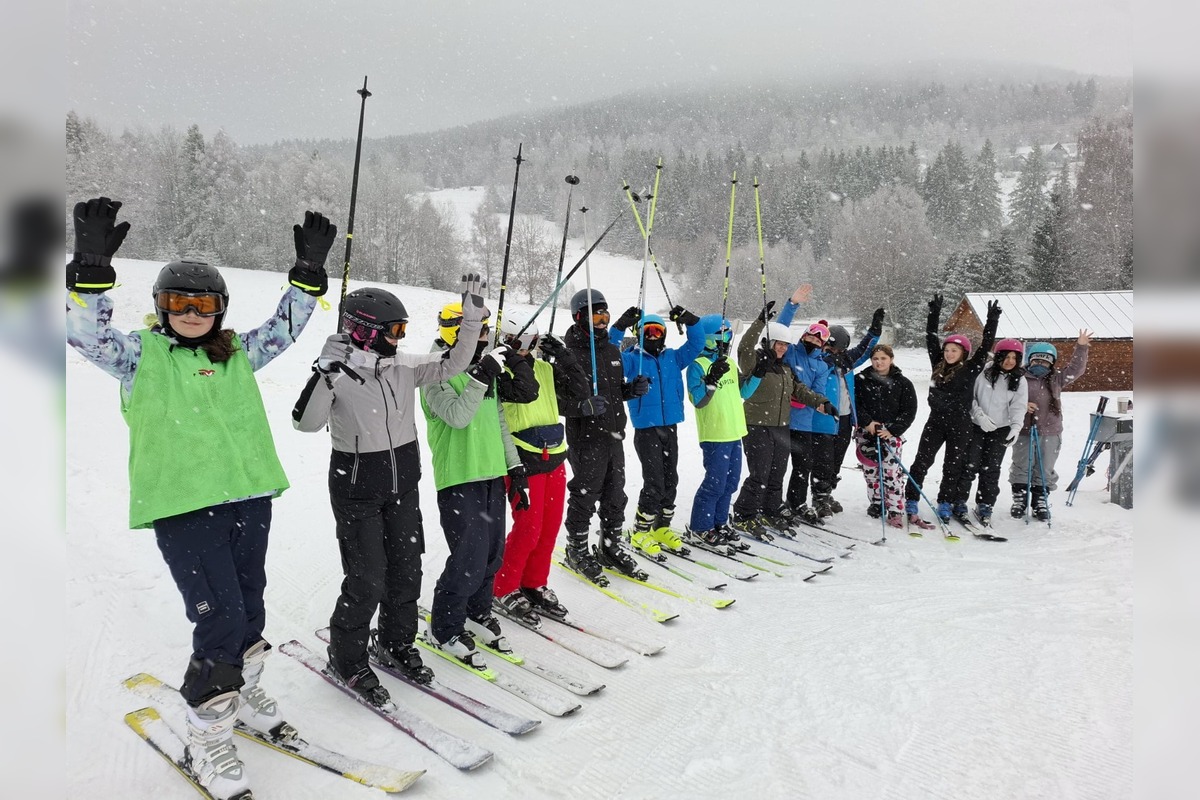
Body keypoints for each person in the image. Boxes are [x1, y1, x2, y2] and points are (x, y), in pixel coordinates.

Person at [66, 197, 331, 800]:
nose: (191, 313)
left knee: (251, 609)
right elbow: (84, 335)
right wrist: (89, 273)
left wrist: (307, 279)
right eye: (178, 304)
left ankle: (240, 688)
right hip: (184, 508)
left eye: (204, 305)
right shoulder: (138, 357)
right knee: (220, 622)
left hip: (248, 499)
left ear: (219, 311)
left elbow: (284, 331)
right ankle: (206, 730)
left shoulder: (235, 352)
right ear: (160, 308)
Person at [291, 276, 487, 705]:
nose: (400, 339)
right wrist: (324, 373)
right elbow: (304, 423)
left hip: (403, 486)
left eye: (402, 330)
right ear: (365, 329)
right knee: (367, 579)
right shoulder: (339, 373)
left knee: (406, 570)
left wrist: (471, 321)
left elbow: (453, 364)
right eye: (394, 330)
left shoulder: (402, 366)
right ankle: (347, 658)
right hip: (357, 488)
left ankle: (396, 644)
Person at [420, 299, 528, 668]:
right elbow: (457, 417)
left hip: (490, 472)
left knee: (492, 553)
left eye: (484, 331)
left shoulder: (483, 367)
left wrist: (515, 469)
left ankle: (476, 612)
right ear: (455, 329)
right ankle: (446, 626)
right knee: (468, 556)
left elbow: (498, 421)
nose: (483, 337)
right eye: (478, 331)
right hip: (458, 475)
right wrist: (480, 376)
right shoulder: (434, 371)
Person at [490, 316, 589, 624]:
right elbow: (525, 392)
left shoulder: (545, 368)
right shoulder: (500, 372)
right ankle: (503, 586)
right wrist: (510, 357)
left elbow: (581, 390)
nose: (525, 350)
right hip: (523, 457)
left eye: (531, 344)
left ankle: (533, 582)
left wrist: (565, 356)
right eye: (518, 342)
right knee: (528, 528)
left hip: (555, 456)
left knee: (549, 528)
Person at [557, 288, 650, 583]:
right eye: (596, 314)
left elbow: (611, 392)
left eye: (605, 313)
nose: (602, 319)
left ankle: (609, 547)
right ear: (579, 317)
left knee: (615, 494)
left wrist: (629, 390)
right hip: (586, 438)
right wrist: (581, 407)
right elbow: (555, 401)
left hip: (614, 435)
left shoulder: (611, 350)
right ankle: (576, 549)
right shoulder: (567, 355)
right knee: (585, 495)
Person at [608, 303, 705, 555]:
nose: (653, 335)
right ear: (640, 333)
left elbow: (697, 344)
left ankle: (662, 526)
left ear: (664, 334)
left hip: (669, 426)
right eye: (648, 331)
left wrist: (689, 319)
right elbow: (607, 353)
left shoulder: (673, 357)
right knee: (654, 481)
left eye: (658, 331)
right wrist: (620, 326)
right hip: (647, 429)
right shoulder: (632, 359)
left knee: (670, 479)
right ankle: (641, 531)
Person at [730, 304, 829, 538]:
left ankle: (770, 510)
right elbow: (744, 346)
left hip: (781, 426)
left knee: (777, 473)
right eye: (779, 344)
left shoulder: (785, 368)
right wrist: (759, 322)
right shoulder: (754, 362)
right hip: (757, 426)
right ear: (769, 343)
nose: (783, 348)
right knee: (759, 473)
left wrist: (821, 402)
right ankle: (744, 514)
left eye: (786, 344)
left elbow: (800, 389)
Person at [904, 295, 1001, 526]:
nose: (948, 354)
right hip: (935, 423)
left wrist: (992, 320)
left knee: (953, 466)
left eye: (954, 351)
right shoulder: (937, 364)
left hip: (960, 425)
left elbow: (986, 344)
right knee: (921, 462)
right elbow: (930, 338)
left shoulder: (970, 368)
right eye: (947, 350)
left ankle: (945, 502)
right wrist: (933, 313)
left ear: (963, 353)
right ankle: (911, 498)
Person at [686, 315, 762, 546]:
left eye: (729, 334)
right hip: (715, 434)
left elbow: (744, 392)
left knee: (730, 484)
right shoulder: (697, 365)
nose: (726, 339)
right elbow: (698, 400)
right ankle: (701, 526)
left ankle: (719, 522)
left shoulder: (728, 363)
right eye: (721, 335)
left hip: (734, 432)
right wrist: (710, 381)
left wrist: (758, 373)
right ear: (708, 339)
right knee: (714, 483)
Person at [1009, 331, 1092, 520]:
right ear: (1030, 361)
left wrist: (1081, 347)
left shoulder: (1056, 379)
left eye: (1045, 361)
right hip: (1023, 429)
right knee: (1021, 465)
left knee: (1045, 467)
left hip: (1050, 430)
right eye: (1036, 361)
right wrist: (1022, 406)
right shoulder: (1019, 377)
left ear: (1051, 362)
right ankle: (1020, 498)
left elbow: (1076, 369)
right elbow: (1008, 399)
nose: (1040, 365)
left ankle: (1040, 499)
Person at [810, 310, 883, 517]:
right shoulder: (818, 361)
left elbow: (865, 349)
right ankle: (819, 496)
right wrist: (827, 360)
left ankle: (828, 490)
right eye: (830, 347)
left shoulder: (847, 361)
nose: (834, 352)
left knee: (836, 460)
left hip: (845, 419)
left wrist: (875, 329)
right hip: (823, 418)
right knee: (822, 460)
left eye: (839, 349)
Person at [774, 284, 835, 526]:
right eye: (810, 335)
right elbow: (779, 329)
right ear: (803, 337)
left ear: (823, 345)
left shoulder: (822, 365)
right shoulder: (791, 352)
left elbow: (818, 393)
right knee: (776, 465)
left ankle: (797, 502)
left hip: (804, 422)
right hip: (780, 418)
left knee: (803, 465)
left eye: (818, 339)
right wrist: (792, 304)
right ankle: (772, 502)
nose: (812, 340)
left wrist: (812, 400)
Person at [963, 338, 1029, 524]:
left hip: (1000, 429)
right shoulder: (982, 372)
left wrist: (1016, 427)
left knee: (991, 469)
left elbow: (1018, 405)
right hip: (976, 426)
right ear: (998, 356)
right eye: (1006, 357)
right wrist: (979, 416)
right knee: (969, 465)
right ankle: (959, 501)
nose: (1010, 361)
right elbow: (971, 397)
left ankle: (985, 504)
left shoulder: (1019, 379)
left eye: (1014, 358)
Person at [853, 344, 918, 528]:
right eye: (875, 359)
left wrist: (893, 429)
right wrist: (867, 422)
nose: (879, 362)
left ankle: (895, 507)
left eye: (883, 358)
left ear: (891, 359)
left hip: (890, 434)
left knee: (891, 473)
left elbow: (909, 410)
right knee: (871, 471)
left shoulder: (903, 383)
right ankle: (877, 503)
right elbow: (856, 404)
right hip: (867, 432)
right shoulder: (861, 380)